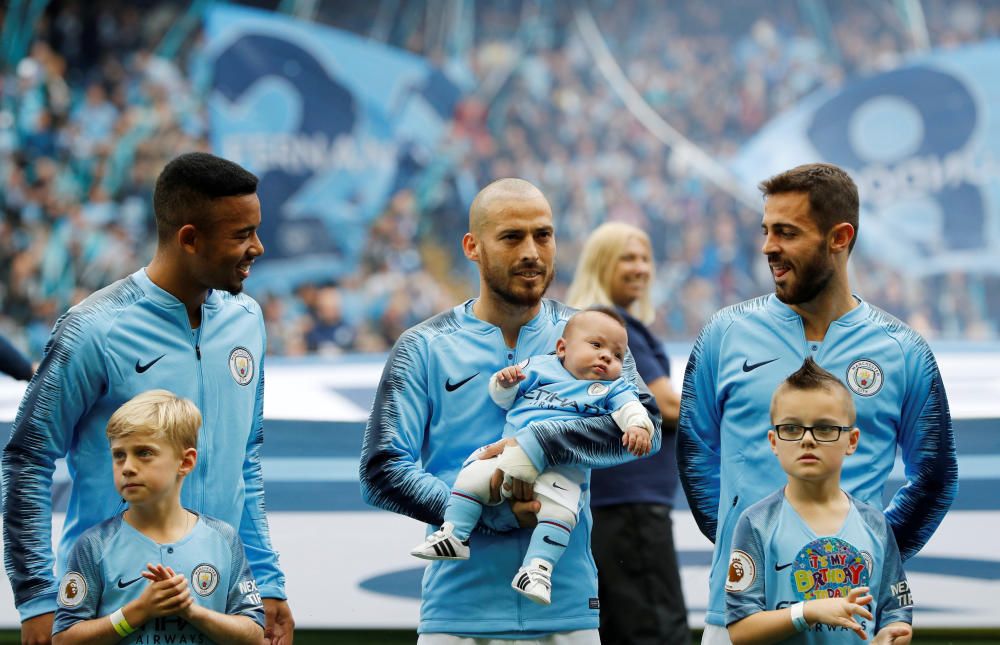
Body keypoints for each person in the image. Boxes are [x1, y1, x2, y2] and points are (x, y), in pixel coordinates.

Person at [2, 152, 294, 645]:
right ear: (189, 238)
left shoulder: (247, 321)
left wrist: (266, 581)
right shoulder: (93, 330)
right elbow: (28, 459)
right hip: (106, 612)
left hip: (216, 606)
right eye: (242, 235)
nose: (258, 248)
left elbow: (245, 461)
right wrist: (36, 597)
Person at [360, 177, 661, 644]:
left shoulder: (591, 335)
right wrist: (492, 513)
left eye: (543, 235)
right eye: (511, 237)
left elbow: (646, 424)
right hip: (456, 615)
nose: (532, 252)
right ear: (472, 246)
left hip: (566, 610)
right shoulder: (422, 346)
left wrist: (542, 442)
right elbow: (382, 469)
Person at [677, 163, 956, 645]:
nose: (768, 247)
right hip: (739, 621)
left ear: (839, 237)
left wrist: (869, 556)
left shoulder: (904, 351)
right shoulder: (723, 335)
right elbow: (696, 454)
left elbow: (934, 477)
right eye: (766, 231)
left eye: (786, 233)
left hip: (850, 621)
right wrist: (748, 547)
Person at [410, 307, 654, 606]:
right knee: (472, 476)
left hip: (560, 471)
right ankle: (455, 534)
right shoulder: (540, 367)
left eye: (617, 355)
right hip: (507, 455)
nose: (607, 357)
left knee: (563, 513)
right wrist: (505, 382)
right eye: (596, 345)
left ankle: (537, 569)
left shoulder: (612, 388)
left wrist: (638, 426)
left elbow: (634, 409)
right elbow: (503, 398)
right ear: (562, 348)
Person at [53, 390, 265, 645]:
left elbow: (254, 635)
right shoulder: (94, 545)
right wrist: (137, 612)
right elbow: (64, 639)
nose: (128, 467)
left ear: (185, 462)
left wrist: (190, 611)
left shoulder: (224, 539)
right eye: (119, 455)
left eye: (144, 453)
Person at [726, 358, 913, 645]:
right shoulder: (755, 524)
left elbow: (896, 615)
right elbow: (740, 630)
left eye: (825, 428)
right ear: (774, 441)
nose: (807, 440)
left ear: (852, 441)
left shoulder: (874, 524)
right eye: (791, 428)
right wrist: (810, 611)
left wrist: (891, 635)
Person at [565, 221, 689, 644]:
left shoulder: (587, 329)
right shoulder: (616, 331)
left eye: (645, 258)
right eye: (627, 257)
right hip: (630, 507)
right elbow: (665, 405)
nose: (640, 268)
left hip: (612, 505)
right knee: (655, 629)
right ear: (601, 264)